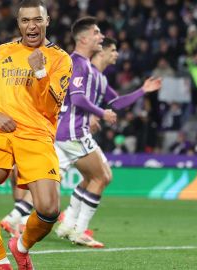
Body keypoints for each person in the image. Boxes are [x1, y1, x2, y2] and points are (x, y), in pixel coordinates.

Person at [0, 1, 72, 269]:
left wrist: (40, 73)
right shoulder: (1, 52)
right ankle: (1, 262)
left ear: (47, 21)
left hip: (36, 135)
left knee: (49, 210)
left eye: (37, 19)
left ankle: (22, 246)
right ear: (18, 23)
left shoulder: (60, 59)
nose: (32, 26)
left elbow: (51, 106)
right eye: (26, 20)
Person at [55, 37, 162, 247]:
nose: (117, 55)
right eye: (113, 50)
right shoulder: (84, 70)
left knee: (93, 178)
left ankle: (68, 224)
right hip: (71, 132)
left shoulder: (100, 79)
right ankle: (77, 230)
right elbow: (76, 99)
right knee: (101, 177)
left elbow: (117, 102)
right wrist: (100, 113)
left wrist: (142, 91)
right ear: (101, 52)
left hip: (76, 132)